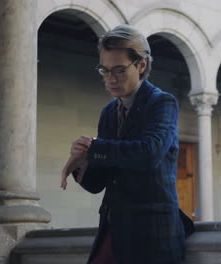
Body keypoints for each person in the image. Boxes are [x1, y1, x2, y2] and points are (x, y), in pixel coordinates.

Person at [60, 24, 194, 264]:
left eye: (119, 70)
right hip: (114, 231)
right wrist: (82, 164)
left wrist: (95, 146)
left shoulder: (162, 103)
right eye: (104, 70)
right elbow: (98, 183)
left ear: (141, 65)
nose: (110, 79)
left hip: (153, 235)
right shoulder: (108, 112)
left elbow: (149, 153)